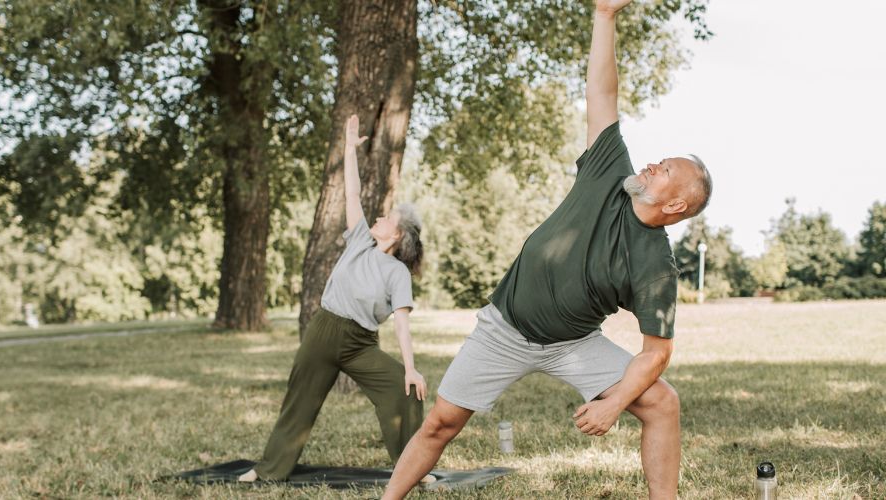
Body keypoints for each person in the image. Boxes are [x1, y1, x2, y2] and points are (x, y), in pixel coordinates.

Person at [380, 0, 712, 498]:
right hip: (505, 327)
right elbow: (602, 91)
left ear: (678, 204)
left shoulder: (655, 266)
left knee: (662, 403)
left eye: (664, 170)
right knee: (441, 424)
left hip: (572, 344)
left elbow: (656, 354)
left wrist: (615, 401)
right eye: (658, 161)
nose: (650, 166)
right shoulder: (609, 171)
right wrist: (604, 16)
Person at [239, 113, 427, 482]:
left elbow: (402, 325)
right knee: (300, 400)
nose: (378, 217)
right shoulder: (359, 239)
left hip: (360, 344)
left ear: (397, 235)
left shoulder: (397, 273)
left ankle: (413, 471)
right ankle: (269, 471)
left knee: (404, 390)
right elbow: (353, 192)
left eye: (386, 218)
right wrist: (348, 148)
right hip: (324, 331)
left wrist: (410, 367)